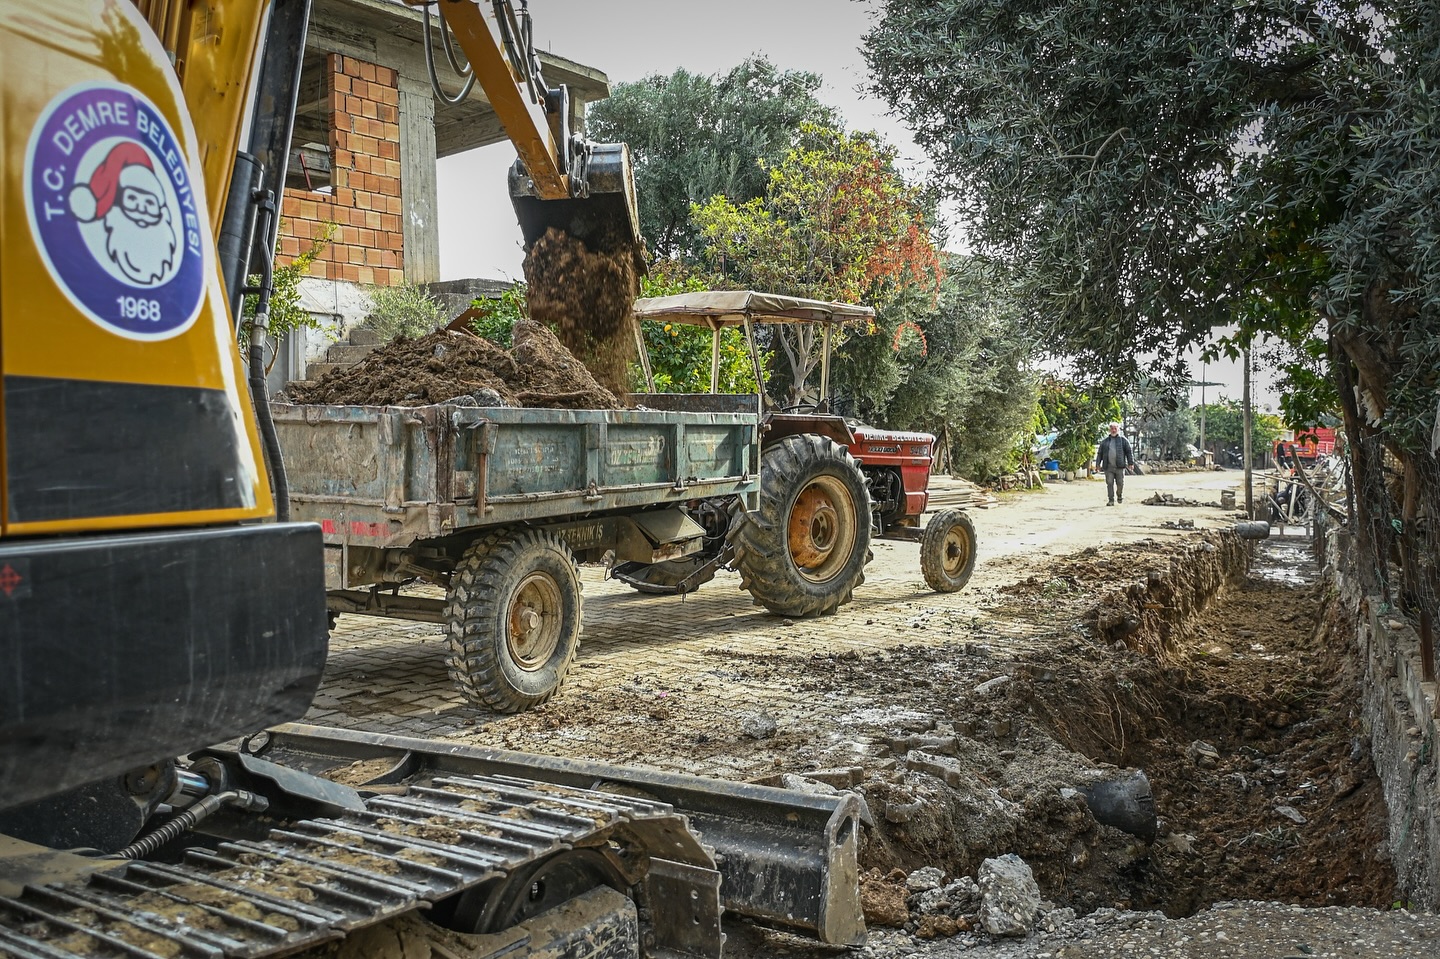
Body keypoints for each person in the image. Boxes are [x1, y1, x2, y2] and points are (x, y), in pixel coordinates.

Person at [1094, 423, 1135, 505]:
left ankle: (1119, 495)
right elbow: (1100, 454)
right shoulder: (1104, 442)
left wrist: (1131, 463)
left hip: (1120, 467)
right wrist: (1097, 465)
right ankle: (1111, 500)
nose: (1113, 430)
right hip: (1108, 467)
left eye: (1115, 428)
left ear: (1118, 429)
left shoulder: (1124, 440)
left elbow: (1129, 452)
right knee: (1109, 483)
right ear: (1109, 430)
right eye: (1112, 428)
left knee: (1120, 483)